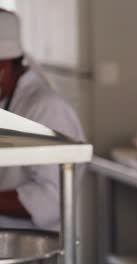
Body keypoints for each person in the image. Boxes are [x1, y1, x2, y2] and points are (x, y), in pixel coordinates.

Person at [0, 9, 85, 230]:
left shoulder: (47, 109)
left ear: (3, 67)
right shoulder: (6, 98)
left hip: (33, 252)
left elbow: (53, 200)